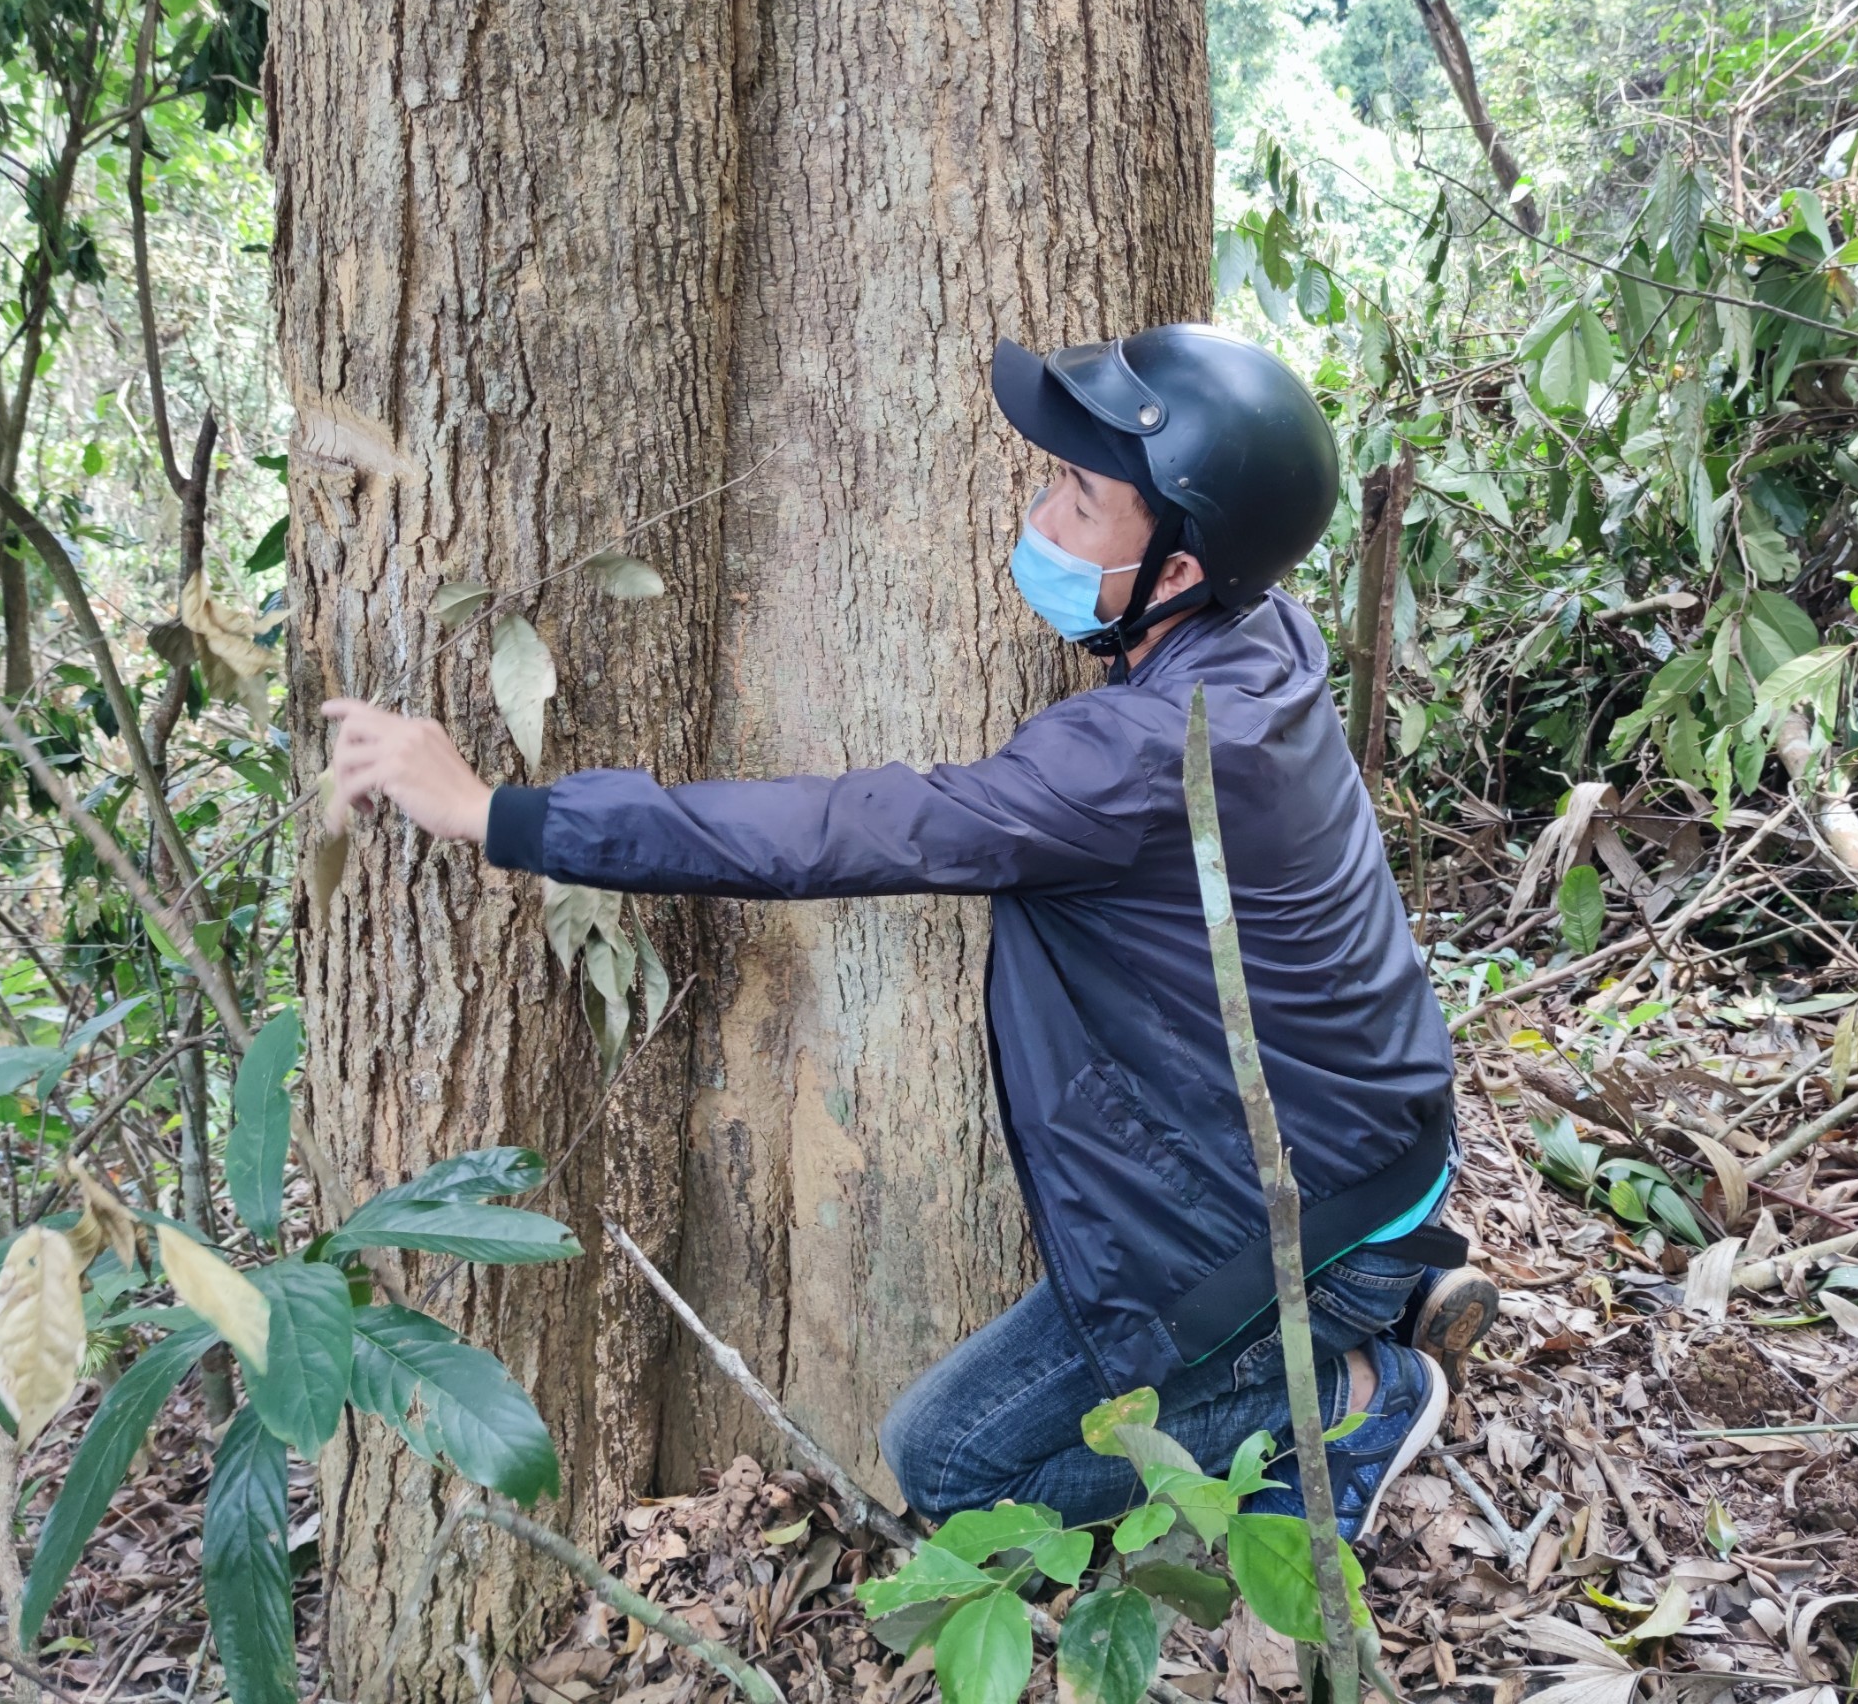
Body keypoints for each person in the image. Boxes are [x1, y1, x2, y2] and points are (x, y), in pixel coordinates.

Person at [323, 324, 1496, 1542]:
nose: (1040, 514)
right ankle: (1369, 1305)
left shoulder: (1136, 761)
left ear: (1184, 570)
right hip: (1384, 1154)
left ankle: (1357, 1396)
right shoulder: (1263, 640)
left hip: (1300, 1217)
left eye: (1077, 499)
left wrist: (498, 813)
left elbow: (840, 829)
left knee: (949, 1463)